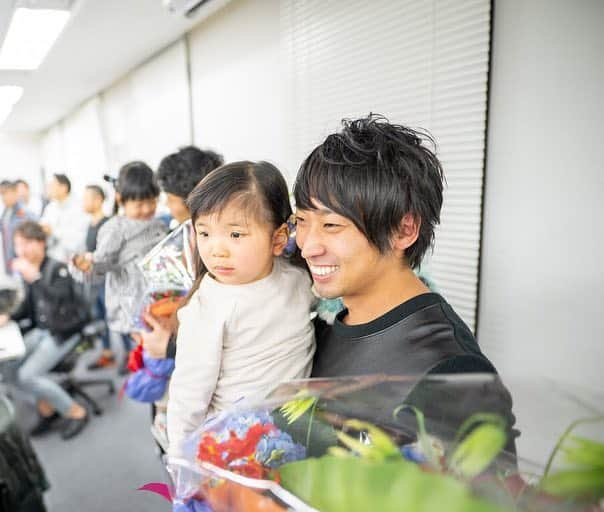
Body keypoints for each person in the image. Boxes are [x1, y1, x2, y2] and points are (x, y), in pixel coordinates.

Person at [293, 115, 516, 446]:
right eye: (301, 221)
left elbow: (488, 496)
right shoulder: (319, 330)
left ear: (404, 229)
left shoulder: (450, 369)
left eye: (332, 226)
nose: (308, 246)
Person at [166, 161, 315, 457]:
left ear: (279, 238)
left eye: (235, 235)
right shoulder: (207, 308)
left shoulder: (299, 279)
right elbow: (188, 397)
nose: (215, 249)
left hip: (298, 434)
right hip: (235, 446)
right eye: (205, 233)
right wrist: (183, 461)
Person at [0, 221, 90, 439]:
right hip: (43, 331)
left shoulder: (57, 269)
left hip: (63, 332)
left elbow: (61, 301)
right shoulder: (31, 272)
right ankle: (48, 408)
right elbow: (29, 306)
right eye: (18, 245)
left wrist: (35, 278)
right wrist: (6, 317)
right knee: (5, 369)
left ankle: (76, 412)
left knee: (27, 375)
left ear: (41, 243)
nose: (22, 250)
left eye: (27, 243)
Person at [73, 161, 167, 356]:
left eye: (152, 201)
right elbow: (101, 263)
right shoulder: (116, 229)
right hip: (132, 309)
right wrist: (88, 264)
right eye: (139, 204)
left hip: (159, 303)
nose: (147, 209)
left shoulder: (158, 225)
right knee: (146, 358)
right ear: (120, 199)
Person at [141, 146, 224, 361]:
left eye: (170, 199)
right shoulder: (181, 236)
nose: (168, 207)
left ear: (191, 199)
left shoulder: (217, 249)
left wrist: (170, 347)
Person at [82, 184, 114, 369]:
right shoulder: (90, 225)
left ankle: (128, 353)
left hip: (107, 280)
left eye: (87, 198)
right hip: (93, 280)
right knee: (100, 318)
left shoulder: (108, 225)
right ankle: (107, 352)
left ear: (98, 200)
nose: (84, 203)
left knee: (114, 317)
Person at [40, 173, 89, 264]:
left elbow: (78, 240)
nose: (49, 188)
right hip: (51, 258)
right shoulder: (50, 207)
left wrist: (53, 232)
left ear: (64, 188)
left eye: (52, 185)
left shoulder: (79, 208)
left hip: (71, 261)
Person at [0, 179, 34, 275]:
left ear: (14, 193)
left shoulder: (24, 213)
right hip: (10, 264)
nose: (3, 197)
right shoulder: (6, 213)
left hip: (24, 264)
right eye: (1, 194)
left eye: (5, 193)